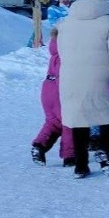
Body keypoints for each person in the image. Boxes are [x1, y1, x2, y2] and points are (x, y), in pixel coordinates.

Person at [58, 0, 109, 179]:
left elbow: (61, 52)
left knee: (79, 119)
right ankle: (104, 151)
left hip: (70, 77)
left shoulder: (66, 23)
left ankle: (80, 166)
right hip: (101, 78)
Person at [30, 28, 74, 167]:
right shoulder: (64, 57)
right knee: (69, 122)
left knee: (53, 122)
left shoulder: (54, 55)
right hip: (59, 91)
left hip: (48, 91)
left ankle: (39, 145)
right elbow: (63, 77)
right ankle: (70, 155)